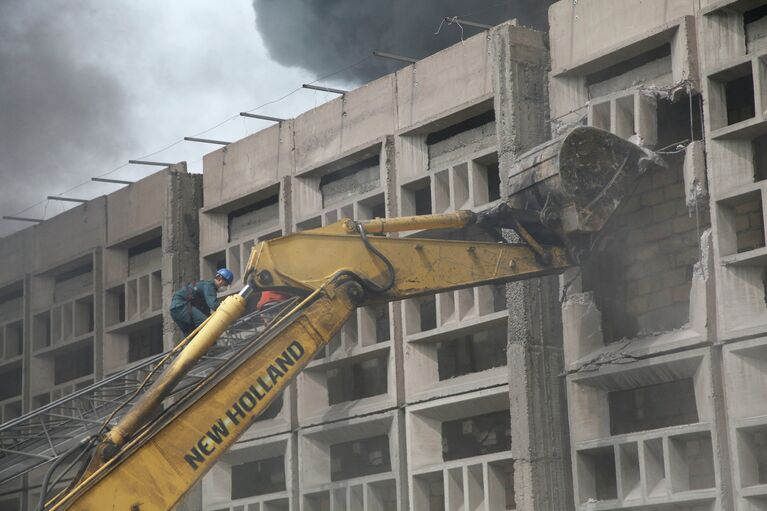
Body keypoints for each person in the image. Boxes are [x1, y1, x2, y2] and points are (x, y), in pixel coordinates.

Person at [170, 268, 234, 336]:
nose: (224, 286)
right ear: (219, 278)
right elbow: (213, 304)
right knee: (206, 325)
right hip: (181, 306)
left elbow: (205, 311)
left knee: (193, 335)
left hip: (176, 309)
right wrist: (227, 309)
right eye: (225, 284)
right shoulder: (209, 285)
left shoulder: (205, 287)